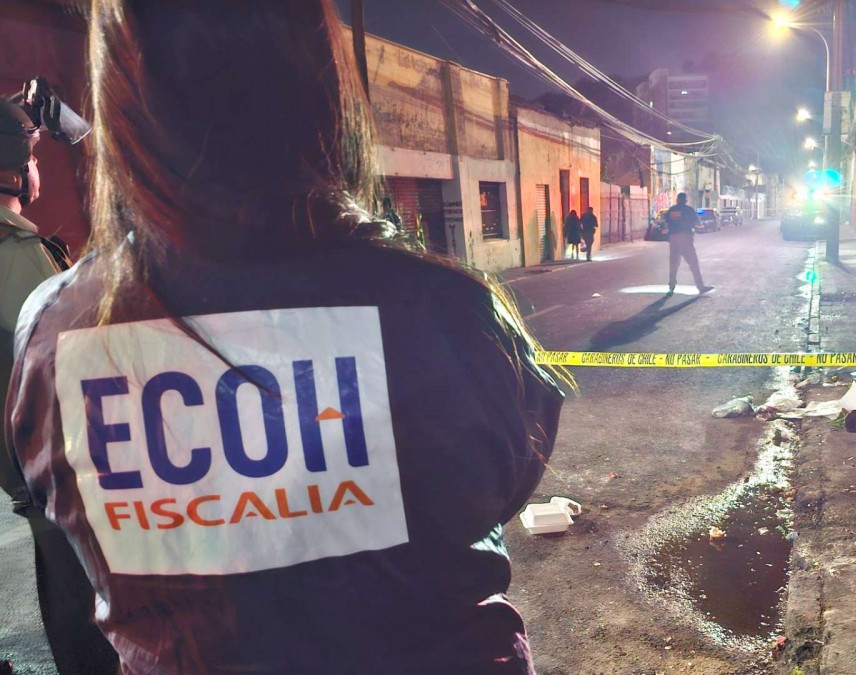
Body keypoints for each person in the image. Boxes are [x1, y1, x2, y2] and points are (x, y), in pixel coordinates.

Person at [5, 1, 564, 673]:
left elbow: (58, 514)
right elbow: (507, 477)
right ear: (316, 77)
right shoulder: (446, 311)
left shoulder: (56, 332)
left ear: (119, 88)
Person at [0, 99, 119, 674]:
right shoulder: (20, 259)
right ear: (13, 171)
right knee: (87, 621)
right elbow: (82, 357)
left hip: (20, 475)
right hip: (54, 475)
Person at [663, 192, 712, 295]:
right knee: (693, 263)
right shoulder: (689, 210)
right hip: (685, 238)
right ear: (685, 200)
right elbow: (697, 223)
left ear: (677, 200)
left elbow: (666, 224)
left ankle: (671, 287)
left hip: (673, 239)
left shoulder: (671, 210)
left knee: (673, 264)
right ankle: (700, 286)